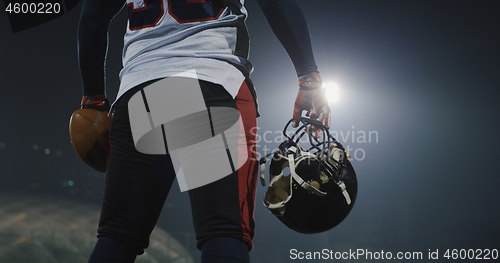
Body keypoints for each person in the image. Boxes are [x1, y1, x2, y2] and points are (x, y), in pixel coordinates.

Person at [77, 0, 330, 262]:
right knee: (223, 232)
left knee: (117, 236)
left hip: (140, 91)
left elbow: (92, 18)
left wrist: (93, 99)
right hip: (212, 77)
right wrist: (308, 76)